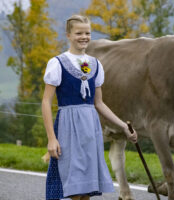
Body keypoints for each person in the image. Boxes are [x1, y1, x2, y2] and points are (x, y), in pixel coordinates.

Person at [42, 14, 138, 200]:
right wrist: (51, 139)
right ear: (68, 35)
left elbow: (99, 103)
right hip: (68, 128)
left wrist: (124, 126)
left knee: (86, 190)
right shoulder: (57, 63)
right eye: (79, 33)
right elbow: (46, 102)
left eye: (87, 33)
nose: (84, 37)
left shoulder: (95, 64)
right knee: (74, 188)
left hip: (90, 130)